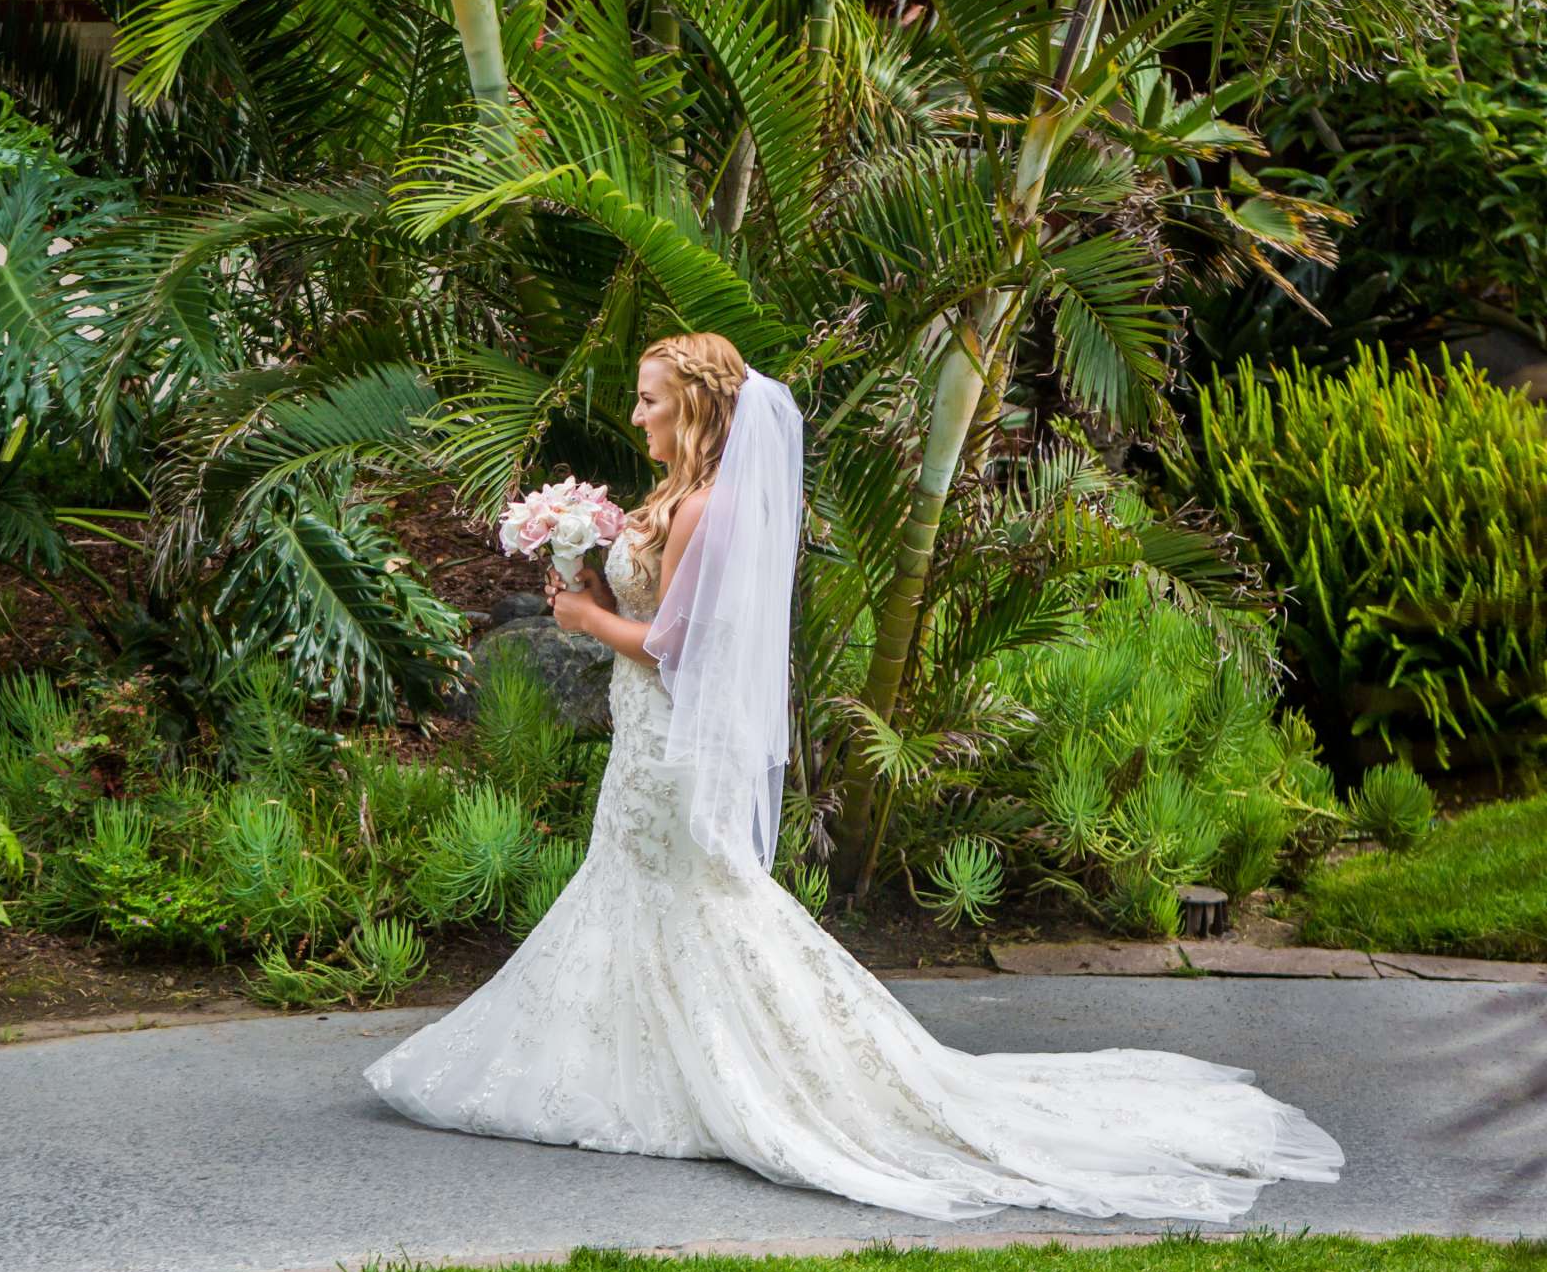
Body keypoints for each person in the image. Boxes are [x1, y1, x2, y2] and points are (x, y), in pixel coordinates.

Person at [365, 332, 1343, 1221]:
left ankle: (769, 1077)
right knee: (641, 903)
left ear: (696, 409)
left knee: (698, 909)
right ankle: (616, 1070)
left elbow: (673, 645)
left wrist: (581, 621)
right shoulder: (671, 499)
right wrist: (579, 554)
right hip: (641, 738)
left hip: (666, 740)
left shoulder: (707, 505)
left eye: (651, 401)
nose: (636, 415)